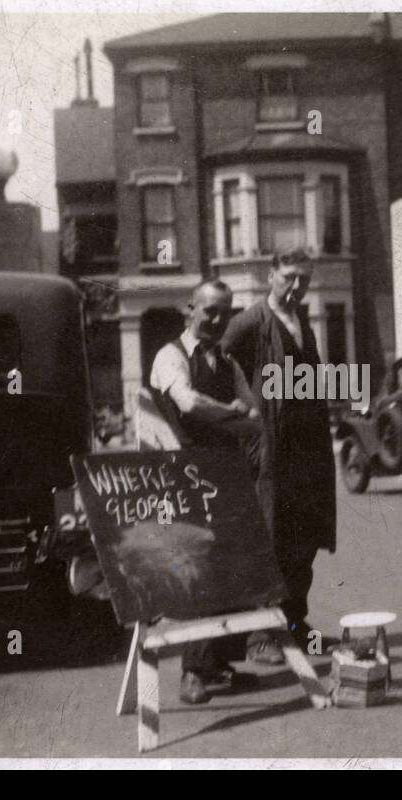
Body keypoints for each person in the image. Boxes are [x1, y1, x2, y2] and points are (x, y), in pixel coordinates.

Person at [221, 248, 337, 665]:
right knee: (270, 538)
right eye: (288, 277)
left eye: (304, 279)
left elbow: (310, 378)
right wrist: (241, 417)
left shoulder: (302, 320)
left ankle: (294, 624)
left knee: (303, 538)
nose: (296, 286)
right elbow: (218, 363)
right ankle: (260, 637)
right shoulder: (252, 320)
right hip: (270, 450)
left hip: (307, 450)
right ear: (271, 275)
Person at [149, 280, 261, 704]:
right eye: (209, 311)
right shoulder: (169, 356)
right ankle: (192, 672)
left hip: (227, 476)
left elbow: (254, 415)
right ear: (189, 310)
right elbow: (188, 403)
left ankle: (217, 665)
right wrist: (231, 413)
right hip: (183, 479)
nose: (217, 320)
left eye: (225, 312)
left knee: (232, 569)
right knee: (199, 571)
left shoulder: (227, 363)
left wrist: (236, 415)